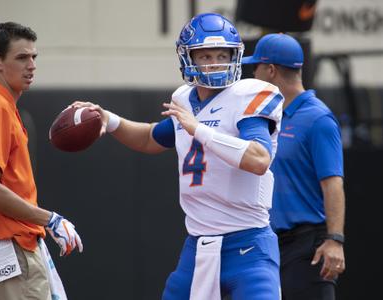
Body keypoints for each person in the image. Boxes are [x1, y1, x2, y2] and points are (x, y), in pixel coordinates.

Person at [73, 13, 284, 300]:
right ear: (189, 59)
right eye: (206, 55)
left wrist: (199, 130)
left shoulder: (247, 95)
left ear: (235, 55)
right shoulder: (184, 99)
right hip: (198, 246)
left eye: (222, 54)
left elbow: (259, 160)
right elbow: (150, 138)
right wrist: (109, 120)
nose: (215, 62)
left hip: (248, 245)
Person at [0, 22, 83, 300]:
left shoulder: (3, 106)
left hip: (16, 245)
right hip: (8, 247)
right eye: (22, 57)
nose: (31, 65)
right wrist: (48, 219)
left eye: (34, 57)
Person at [242, 33, 346, 300]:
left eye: (256, 68)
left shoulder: (317, 118)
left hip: (307, 247)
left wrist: (335, 240)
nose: (253, 74)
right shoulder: (262, 117)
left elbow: (333, 183)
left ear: (271, 71)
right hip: (267, 245)